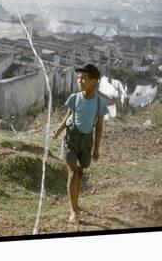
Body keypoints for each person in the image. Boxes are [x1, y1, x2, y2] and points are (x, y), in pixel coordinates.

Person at [52, 63, 108, 224]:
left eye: (84, 78)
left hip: (86, 141)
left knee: (81, 173)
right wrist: (59, 130)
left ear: (94, 81)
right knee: (73, 172)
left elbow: (99, 128)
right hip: (71, 138)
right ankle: (73, 210)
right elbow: (68, 116)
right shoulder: (74, 98)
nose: (80, 81)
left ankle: (76, 202)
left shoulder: (100, 104)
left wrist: (96, 148)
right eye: (78, 78)